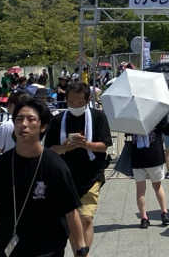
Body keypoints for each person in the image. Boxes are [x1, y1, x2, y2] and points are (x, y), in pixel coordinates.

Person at [0, 97, 89, 257]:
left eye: (31, 119)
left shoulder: (55, 166)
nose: (24, 124)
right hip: (9, 250)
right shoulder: (0, 166)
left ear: (43, 126)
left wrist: (81, 249)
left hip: (48, 250)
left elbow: (71, 212)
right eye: (19, 119)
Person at [45, 81, 112, 251]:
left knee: (86, 218)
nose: (76, 105)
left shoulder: (98, 117)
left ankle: (82, 253)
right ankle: (78, 249)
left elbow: (104, 145)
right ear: (65, 100)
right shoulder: (58, 120)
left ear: (87, 100)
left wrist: (86, 145)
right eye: (71, 102)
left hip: (92, 174)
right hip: (65, 176)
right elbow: (50, 149)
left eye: (80, 102)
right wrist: (66, 146)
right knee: (71, 220)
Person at [128, 117, 169, 228]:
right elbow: (166, 128)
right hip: (154, 155)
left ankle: (144, 218)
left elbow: (127, 134)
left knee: (140, 190)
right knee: (157, 186)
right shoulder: (156, 114)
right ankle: (164, 213)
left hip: (137, 157)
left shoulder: (131, 117)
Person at [0, 90, 26, 157]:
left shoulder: (6, 126)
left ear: (12, 105)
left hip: (10, 164)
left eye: (8, 104)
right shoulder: (34, 123)